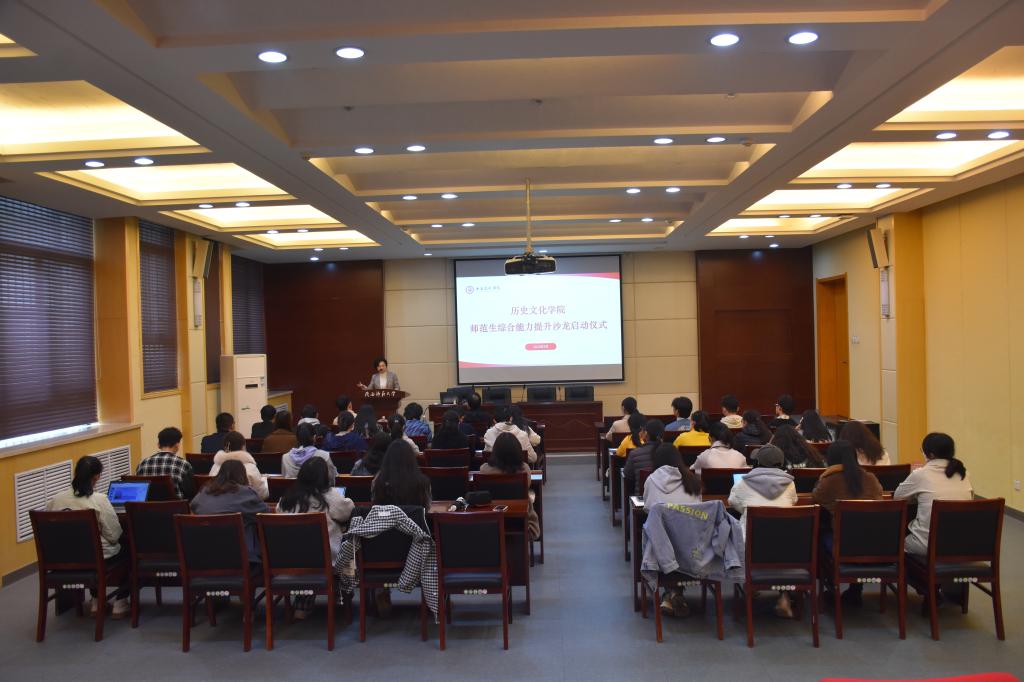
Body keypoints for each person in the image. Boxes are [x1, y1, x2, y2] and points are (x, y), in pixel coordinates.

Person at [47, 456, 129, 617]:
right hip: (95, 559)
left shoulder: (56, 500)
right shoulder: (99, 500)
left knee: (90, 553)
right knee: (128, 551)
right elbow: (114, 535)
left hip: (62, 558)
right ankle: (120, 602)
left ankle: (97, 601)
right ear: (96, 477)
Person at [278, 457, 354, 619]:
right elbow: (349, 511)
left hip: (291, 561)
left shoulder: (286, 500)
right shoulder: (331, 497)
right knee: (349, 543)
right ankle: (342, 592)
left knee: (306, 551)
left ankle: (303, 603)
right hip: (326, 562)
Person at [727, 445, 798, 618]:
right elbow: (793, 502)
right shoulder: (790, 484)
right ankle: (785, 596)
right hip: (787, 549)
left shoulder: (743, 483)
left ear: (757, 462)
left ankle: (749, 588)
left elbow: (732, 502)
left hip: (752, 549)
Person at [643, 443, 703, 617]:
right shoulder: (693, 480)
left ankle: (670, 594)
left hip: (663, 553)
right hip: (694, 552)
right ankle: (674, 594)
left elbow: (649, 510)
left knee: (655, 531)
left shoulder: (652, 480)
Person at [894, 432, 972, 557]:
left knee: (896, 540)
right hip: (961, 543)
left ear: (930, 455)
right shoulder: (964, 473)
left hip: (928, 545)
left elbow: (897, 498)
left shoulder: (921, 474)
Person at [190, 460, 268, 562]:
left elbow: (193, 507)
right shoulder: (246, 493)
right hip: (240, 557)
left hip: (203, 555)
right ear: (242, 475)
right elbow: (265, 514)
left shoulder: (204, 491)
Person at [481, 432, 540, 540]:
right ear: (517, 451)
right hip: (520, 521)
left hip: (491, 521)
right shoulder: (524, 469)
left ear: (495, 451)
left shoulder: (484, 469)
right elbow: (527, 487)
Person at [812, 440, 883, 512]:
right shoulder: (871, 479)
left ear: (830, 459)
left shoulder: (828, 481)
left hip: (839, 519)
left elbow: (816, 499)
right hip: (871, 519)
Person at [136, 426, 195, 499]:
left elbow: (139, 491)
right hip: (176, 505)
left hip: (147, 506)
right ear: (177, 445)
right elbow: (191, 493)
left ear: (158, 445)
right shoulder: (183, 464)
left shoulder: (142, 464)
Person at [371, 440, 431, 509]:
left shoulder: (378, 482)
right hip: (415, 516)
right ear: (411, 458)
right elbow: (427, 507)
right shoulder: (423, 482)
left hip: (387, 516)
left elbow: (375, 507)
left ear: (388, 459)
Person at [209, 431, 268, 499]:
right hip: (245, 505)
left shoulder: (215, 466)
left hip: (218, 504)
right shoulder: (250, 468)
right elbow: (262, 494)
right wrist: (265, 481)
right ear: (243, 446)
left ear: (225, 447)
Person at [623, 419, 666, 493]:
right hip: (665, 495)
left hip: (642, 496)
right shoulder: (670, 452)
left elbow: (627, 475)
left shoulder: (635, 453)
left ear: (646, 434)